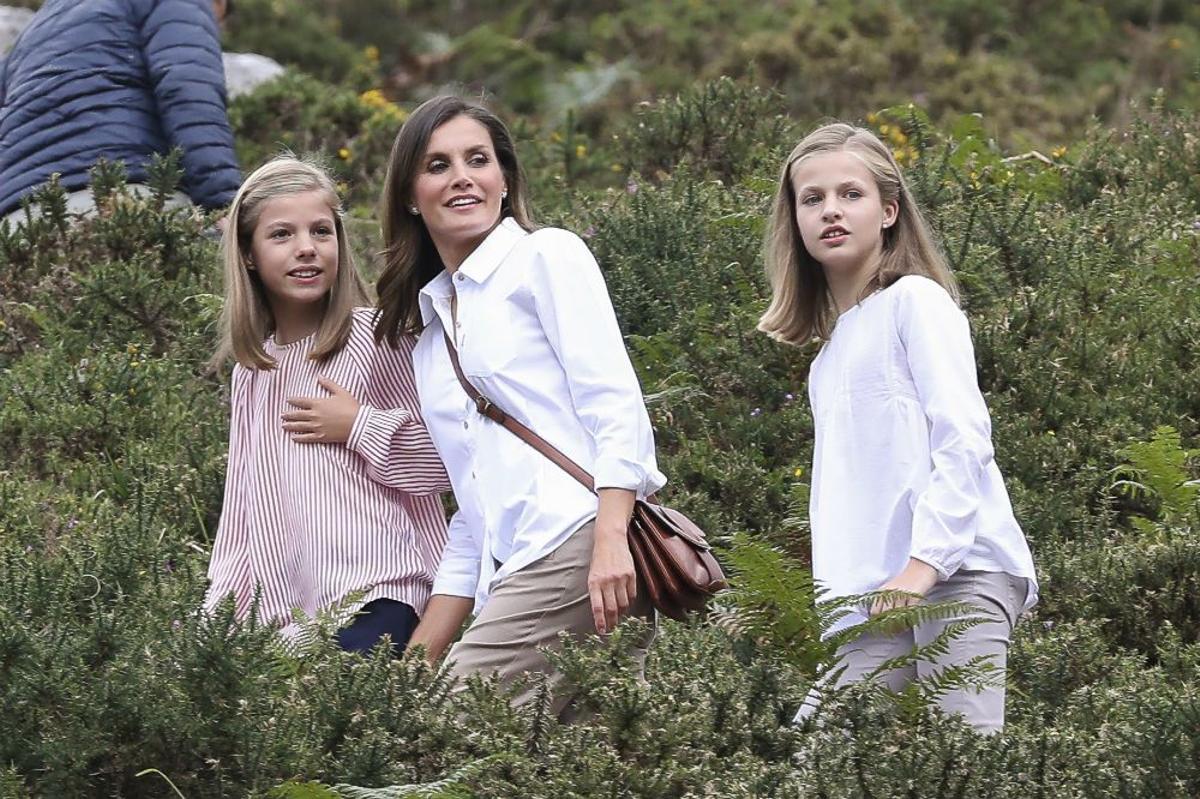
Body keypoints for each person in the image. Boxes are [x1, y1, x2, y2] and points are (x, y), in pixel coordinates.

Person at [373, 95, 664, 718]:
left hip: (579, 541)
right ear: (408, 195)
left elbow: (615, 403)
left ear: (504, 180)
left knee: (448, 733)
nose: (461, 177)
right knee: (580, 768)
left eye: (478, 159)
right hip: (514, 572)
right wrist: (417, 660)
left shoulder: (546, 256)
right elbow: (471, 512)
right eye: (437, 165)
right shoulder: (429, 337)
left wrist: (612, 538)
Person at [757, 122, 1038, 733]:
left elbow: (963, 440)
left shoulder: (917, 302)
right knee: (817, 757)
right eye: (812, 199)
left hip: (958, 573)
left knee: (962, 766)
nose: (831, 210)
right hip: (872, 601)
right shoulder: (827, 358)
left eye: (850, 194)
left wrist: (922, 567)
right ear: (796, 223)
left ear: (888, 211)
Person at [203, 155, 450, 655]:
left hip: (382, 591)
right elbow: (243, 507)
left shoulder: (376, 337)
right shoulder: (253, 373)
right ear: (248, 254)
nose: (306, 249)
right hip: (291, 615)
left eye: (321, 231)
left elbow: (445, 463)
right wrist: (217, 615)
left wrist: (360, 425)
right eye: (281, 235)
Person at [0, 0, 240, 224]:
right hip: (123, 196)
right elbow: (188, 90)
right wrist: (225, 205)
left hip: (18, 220)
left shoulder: (34, 30)